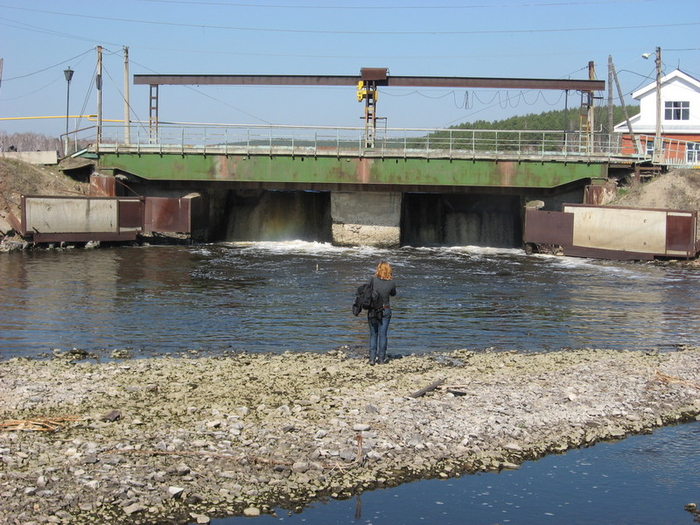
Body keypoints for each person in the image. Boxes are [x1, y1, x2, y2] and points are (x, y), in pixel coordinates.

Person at [367, 261, 396, 365]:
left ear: (378, 269)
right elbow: (393, 294)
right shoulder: (391, 283)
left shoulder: (373, 280)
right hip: (386, 309)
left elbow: (367, 291)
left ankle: (371, 359)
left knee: (373, 335)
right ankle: (381, 359)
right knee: (383, 335)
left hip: (373, 310)